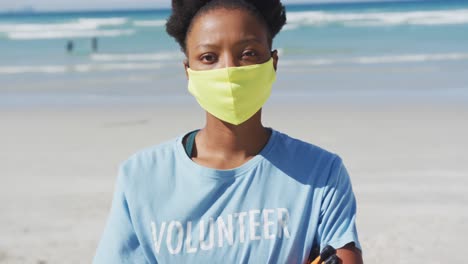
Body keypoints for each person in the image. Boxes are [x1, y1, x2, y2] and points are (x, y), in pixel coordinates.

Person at [94, 0, 363, 263]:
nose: (228, 70)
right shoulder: (141, 177)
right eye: (208, 57)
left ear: (273, 63)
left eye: (247, 54)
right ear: (188, 72)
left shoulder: (321, 173)